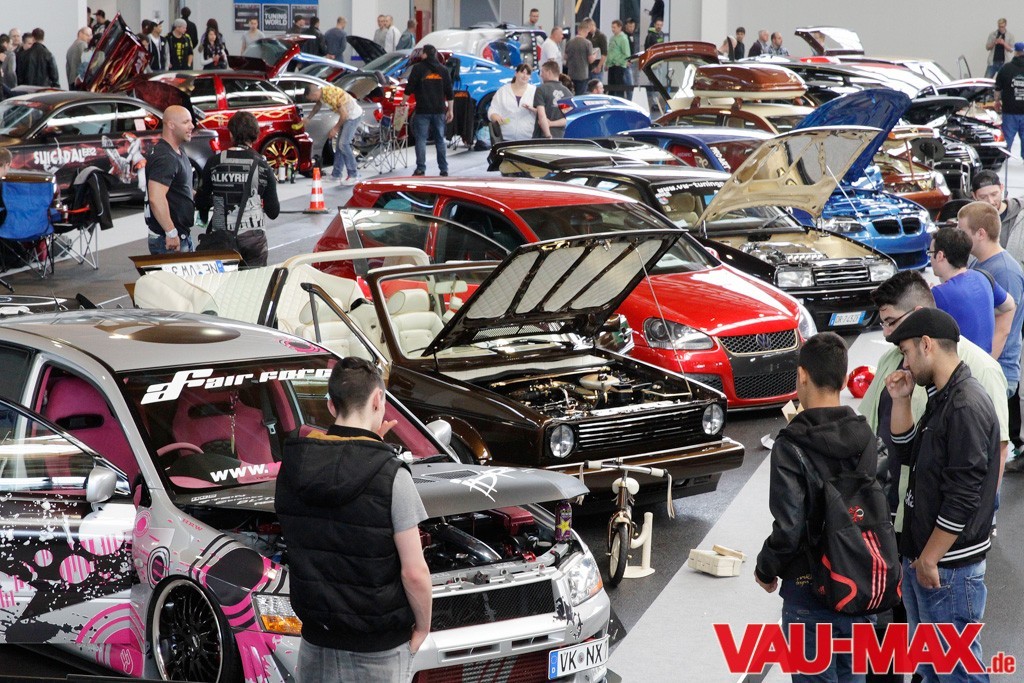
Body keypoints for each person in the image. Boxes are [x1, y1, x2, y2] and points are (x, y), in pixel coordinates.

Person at [276, 357, 431, 683]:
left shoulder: (294, 466)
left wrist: (372, 448)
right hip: (378, 650)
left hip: (316, 643)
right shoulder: (392, 475)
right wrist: (423, 627)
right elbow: (414, 572)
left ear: (331, 406)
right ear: (378, 400)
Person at [755, 332, 879, 683]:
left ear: (802, 375)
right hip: (859, 586)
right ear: (844, 378)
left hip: (809, 591)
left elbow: (789, 526)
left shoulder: (791, 444)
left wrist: (766, 568)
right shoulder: (866, 436)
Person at [885, 307, 998, 683]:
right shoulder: (942, 397)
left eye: (906, 351)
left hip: (947, 568)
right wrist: (901, 400)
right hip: (928, 562)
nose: (905, 363)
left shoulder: (964, 405)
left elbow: (964, 495)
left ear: (926, 344)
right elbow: (907, 453)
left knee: (957, 674)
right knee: (932, 671)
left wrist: (930, 559)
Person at [859, 271, 1009, 514]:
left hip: (941, 519)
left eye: (891, 321)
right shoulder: (891, 359)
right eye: (883, 323)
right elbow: (870, 426)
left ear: (919, 314)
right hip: (889, 508)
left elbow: (996, 453)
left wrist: (976, 520)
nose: (886, 332)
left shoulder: (982, 369)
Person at [958, 201, 1024, 473]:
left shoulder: (1005, 271)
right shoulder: (978, 261)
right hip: (981, 367)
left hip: (996, 370)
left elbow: (1004, 328)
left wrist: (978, 370)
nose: (959, 236)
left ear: (981, 233)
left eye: (963, 231)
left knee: (985, 449)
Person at [196, 112, 279, 267]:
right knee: (255, 279)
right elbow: (273, 211)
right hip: (253, 237)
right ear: (255, 135)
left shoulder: (214, 162)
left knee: (224, 281)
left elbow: (201, 201)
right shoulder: (262, 165)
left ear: (231, 134)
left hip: (221, 237)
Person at [931, 226, 1015, 356]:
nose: (930, 259)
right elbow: (1009, 305)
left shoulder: (939, 293)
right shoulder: (984, 277)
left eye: (930, 253)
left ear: (940, 256)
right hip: (985, 363)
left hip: (959, 366)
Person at [145, 105, 195, 254]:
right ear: (171, 125)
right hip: (169, 240)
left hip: (180, 235)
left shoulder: (177, 151)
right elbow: (156, 198)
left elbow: (179, 188)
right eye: (186, 122)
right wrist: (171, 232)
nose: (192, 126)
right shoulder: (166, 157)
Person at [405, 44, 454, 177]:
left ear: (425, 54)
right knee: (440, 140)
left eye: (422, 52)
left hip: (422, 110)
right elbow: (449, 92)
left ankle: (421, 169)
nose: (421, 54)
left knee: (421, 140)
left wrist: (403, 103)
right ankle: (444, 169)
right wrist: (450, 110)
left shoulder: (417, 68)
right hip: (439, 110)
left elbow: (409, 88)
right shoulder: (443, 70)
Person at [304, 83, 363, 184]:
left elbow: (344, 115)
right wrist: (308, 118)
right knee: (339, 146)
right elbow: (317, 105)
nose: (312, 101)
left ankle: (354, 174)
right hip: (347, 117)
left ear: (314, 94)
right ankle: (336, 175)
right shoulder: (322, 94)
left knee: (343, 144)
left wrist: (335, 129)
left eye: (311, 99)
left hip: (353, 116)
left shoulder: (330, 96)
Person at [489, 63, 551, 142]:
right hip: (505, 137)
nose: (525, 76)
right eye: (522, 72)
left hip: (528, 138)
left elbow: (544, 114)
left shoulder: (536, 91)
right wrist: (494, 116)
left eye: (528, 74)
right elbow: (492, 109)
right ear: (516, 73)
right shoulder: (503, 90)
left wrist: (533, 110)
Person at [994, 42, 1024, 162]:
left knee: (1007, 138)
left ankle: (1003, 159)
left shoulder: (1006, 68)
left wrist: (997, 102)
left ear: (1015, 52)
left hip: (1009, 111)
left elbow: (997, 88)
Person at [536, 59, 570, 138]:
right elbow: (567, 118)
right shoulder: (567, 92)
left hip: (543, 136)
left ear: (549, 72)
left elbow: (542, 115)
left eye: (542, 72)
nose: (541, 75)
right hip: (560, 137)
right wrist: (552, 123)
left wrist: (548, 135)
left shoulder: (541, 89)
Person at [565, 21, 593, 95]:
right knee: (580, 95)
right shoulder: (587, 43)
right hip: (582, 74)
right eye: (587, 32)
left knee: (571, 94)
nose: (587, 34)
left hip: (571, 73)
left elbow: (565, 57)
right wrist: (595, 55)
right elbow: (590, 60)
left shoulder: (569, 42)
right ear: (585, 30)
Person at [607, 20, 629, 97]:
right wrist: (607, 63)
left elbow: (626, 54)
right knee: (611, 87)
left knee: (619, 87)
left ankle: (620, 100)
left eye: (614, 27)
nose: (612, 29)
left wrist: (619, 62)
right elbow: (610, 52)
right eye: (612, 27)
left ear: (620, 27)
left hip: (619, 66)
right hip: (611, 65)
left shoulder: (623, 39)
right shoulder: (612, 38)